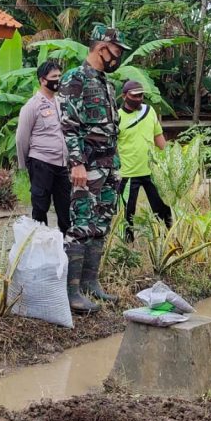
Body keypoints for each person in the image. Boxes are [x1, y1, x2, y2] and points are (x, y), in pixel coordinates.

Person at [58, 24, 129, 313]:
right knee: (81, 225)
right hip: (86, 165)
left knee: (101, 224)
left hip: (108, 165)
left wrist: (115, 165)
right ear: (102, 48)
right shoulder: (75, 78)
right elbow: (69, 124)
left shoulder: (106, 84)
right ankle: (71, 291)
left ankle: (91, 284)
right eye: (117, 51)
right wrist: (77, 163)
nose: (118, 57)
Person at [16, 60, 71, 234]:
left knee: (65, 207)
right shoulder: (32, 106)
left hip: (62, 165)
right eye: (54, 77)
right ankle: (39, 245)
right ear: (42, 80)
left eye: (59, 76)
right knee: (40, 207)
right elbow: (21, 138)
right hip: (41, 163)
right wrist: (26, 165)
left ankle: (66, 247)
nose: (58, 80)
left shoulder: (61, 102)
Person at [116, 80, 172, 242]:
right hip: (128, 173)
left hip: (152, 171)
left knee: (162, 207)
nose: (139, 99)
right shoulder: (117, 117)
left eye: (141, 95)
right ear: (125, 96)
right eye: (134, 96)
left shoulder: (150, 111)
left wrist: (169, 159)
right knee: (127, 213)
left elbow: (158, 137)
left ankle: (168, 236)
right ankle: (127, 244)